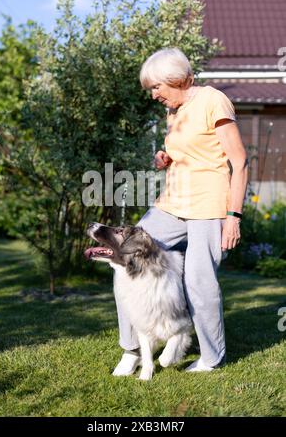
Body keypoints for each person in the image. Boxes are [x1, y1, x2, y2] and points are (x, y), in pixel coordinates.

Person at [113, 47, 248, 375]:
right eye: (151, 89)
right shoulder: (174, 110)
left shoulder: (213, 101)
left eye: (156, 87)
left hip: (209, 206)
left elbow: (240, 161)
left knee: (199, 283)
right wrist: (165, 158)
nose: (153, 95)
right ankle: (132, 348)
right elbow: (188, 152)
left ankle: (211, 358)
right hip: (172, 203)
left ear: (175, 79)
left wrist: (234, 218)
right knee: (123, 256)